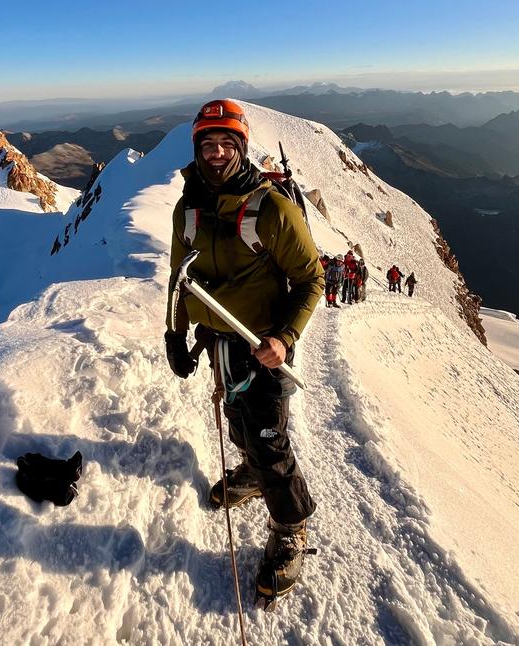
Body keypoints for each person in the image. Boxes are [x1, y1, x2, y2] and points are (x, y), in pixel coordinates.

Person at [164, 99, 324, 598]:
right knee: (238, 419)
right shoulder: (188, 210)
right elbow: (181, 279)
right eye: (207, 145)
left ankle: (291, 527)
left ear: (240, 147)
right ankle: (254, 474)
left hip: (264, 343)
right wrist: (176, 333)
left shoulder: (272, 208)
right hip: (221, 341)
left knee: (268, 437)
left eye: (225, 144)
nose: (215, 154)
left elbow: (311, 280)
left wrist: (285, 337)